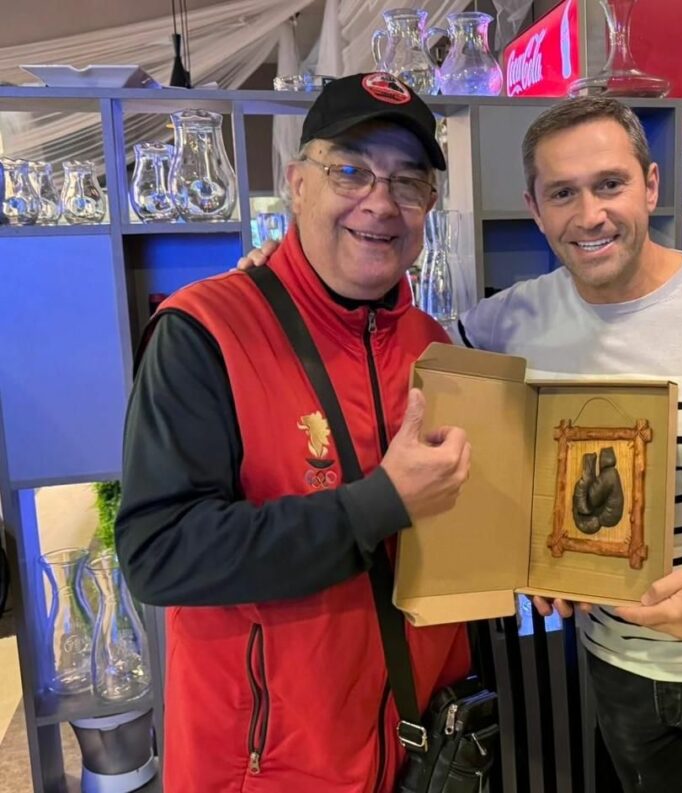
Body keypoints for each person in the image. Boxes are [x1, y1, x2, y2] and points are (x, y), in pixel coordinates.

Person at [239, 96, 682, 792]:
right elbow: (401, 370)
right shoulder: (503, 326)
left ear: (650, 185)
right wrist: (288, 277)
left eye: (609, 184)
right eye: (562, 194)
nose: (590, 215)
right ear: (535, 208)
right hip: (611, 664)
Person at [116, 73, 472, 793]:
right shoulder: (205, 331)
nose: (381, 202)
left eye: (409, 183)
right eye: (351, 171)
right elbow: (159, 552)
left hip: (418, 751)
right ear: (297, 184)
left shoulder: (434, 346)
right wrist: (381, 503)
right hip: (265, 768)